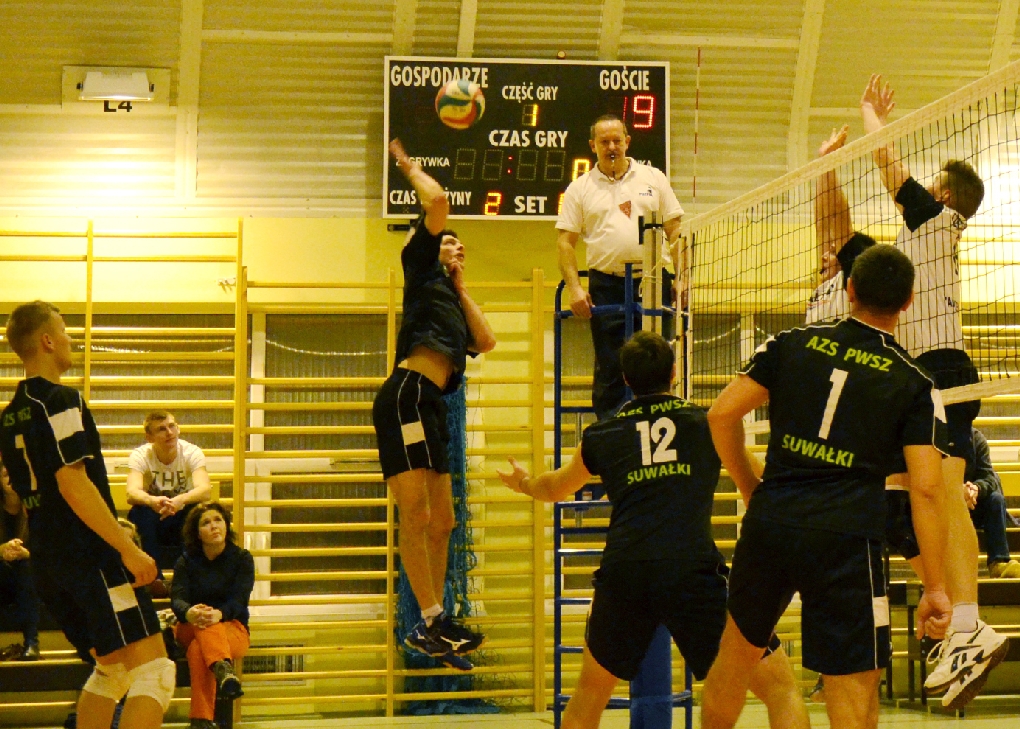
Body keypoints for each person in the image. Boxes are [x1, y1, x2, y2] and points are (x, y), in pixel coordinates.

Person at [498, 331, 808, 729]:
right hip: (691, 573)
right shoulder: (707, 423)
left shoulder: (602, 434)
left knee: (590, 694)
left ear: (626, 379)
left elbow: (555, 488)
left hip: (625, 573)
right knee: (780, 687)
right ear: (674, 373)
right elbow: (761, 479)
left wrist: (524, 482)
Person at [700, 245, 953, 729]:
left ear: (849, 289)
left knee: (734, 658)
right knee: (853, 687)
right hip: (846, 539)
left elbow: (721, 414)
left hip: (773, 522)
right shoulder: (915, 382)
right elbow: (925, 489)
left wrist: (750, 485)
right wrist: (936, 587)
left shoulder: (790, 343)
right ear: (909, 302)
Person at [861, 74, 1009, 709]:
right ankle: (955, 616)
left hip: (942, 372)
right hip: (923, 376)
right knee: (915, 493)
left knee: (947, 498)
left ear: (944, 194)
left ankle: (970, 624)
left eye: (931, 181)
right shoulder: (927, 233)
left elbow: (888, 164)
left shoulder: (935, 216)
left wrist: (873, 117)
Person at [0, 300, 173, 729]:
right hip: (89, 557)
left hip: (47, 562)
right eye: (64, 330)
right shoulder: (59, 400)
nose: (70, 338)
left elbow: (22, 498)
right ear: (47, 340)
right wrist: (127, 549)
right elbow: (72, 483)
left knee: (112, 670)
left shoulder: (10, 416)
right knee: (155, 671)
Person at [372, 139, 496, 670]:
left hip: (433, 405)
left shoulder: (450, 296)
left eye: (459, 246)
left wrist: (462, 287)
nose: (454, 246)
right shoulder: (419, 267)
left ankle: (438, 618)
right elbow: (438, 201)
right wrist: (409, 164)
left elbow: (486, 341)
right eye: (448, 241)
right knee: (417, 512)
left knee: (444, 520)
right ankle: (424, 620)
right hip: (406, 395)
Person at [557, 114, 684, 421]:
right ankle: (612, 433)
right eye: (604, 142)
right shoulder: (579, 188)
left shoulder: (654, 178)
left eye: (617, 140)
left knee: (657, 360)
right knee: (610, 366)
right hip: (607, 285)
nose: (611, 147)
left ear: (627, 142)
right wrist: (574, 288)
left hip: (653, 281)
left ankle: (659, 427)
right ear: (593, 146)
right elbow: (564, 243)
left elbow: (676, 231)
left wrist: (683, 279)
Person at [171, 503, 254, 729]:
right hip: (190, 626)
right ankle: (222, 668)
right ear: (198, 534)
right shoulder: (186, 561)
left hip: (232, 629)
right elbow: (177, 599)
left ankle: (201, 720)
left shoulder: (242, 559)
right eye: (206, 523)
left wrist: (219, 614)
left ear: (226, 525)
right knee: (205, 626)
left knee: (199, 651)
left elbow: (239, 601)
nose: (214, 526)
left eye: (218, 520)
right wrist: (190, 612)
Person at [126, 410, 212, 581]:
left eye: (172, 426)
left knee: (197, 512)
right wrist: (152, 501)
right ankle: (154, 579)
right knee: (138, 513)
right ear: (149, 437)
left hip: (181, 514)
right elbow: (131, 492)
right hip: (155, 515)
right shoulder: (141, 455)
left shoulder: (191, 452)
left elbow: (205, 489)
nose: (169, 432)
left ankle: (187, 578)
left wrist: (181, 500)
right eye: (161, 429)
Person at [0, 456, 40, 660]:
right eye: (6, 475)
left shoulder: (36, 507)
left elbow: (51, 548)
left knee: (25, 565)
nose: (11, 479)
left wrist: (27, 554)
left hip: (31, 578)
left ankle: (31, 643)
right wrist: (1, 551)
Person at [967, 427, 1020, 578]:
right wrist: (958, 492)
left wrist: (976, 489)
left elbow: (988, 477)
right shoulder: (935, 437)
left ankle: (999, 562)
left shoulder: (976, 438)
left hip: (973, 503)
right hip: (945, 503)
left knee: (995, 499)